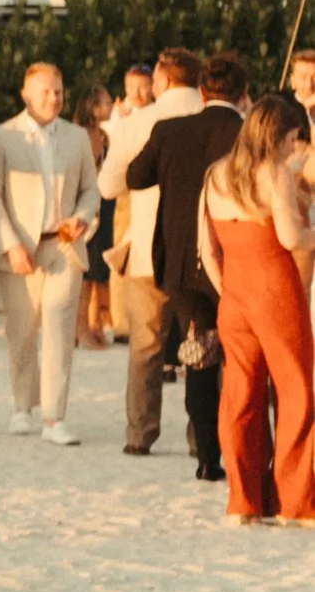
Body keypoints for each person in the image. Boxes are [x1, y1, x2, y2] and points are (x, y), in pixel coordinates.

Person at [120, 51, 244, 478]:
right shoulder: (245, 133)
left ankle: (206, 454)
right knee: (238, 358)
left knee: (199, 354)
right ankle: (231, 445)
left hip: (181, 265)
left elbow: (135, 177)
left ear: (204, 90)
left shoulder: (170, 129)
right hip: (232, 262)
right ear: (243, 93)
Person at [199, 93, 315, 523]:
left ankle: (244, 501)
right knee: (295, 391)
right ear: (279, 135)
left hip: (234, 293)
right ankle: (295, 502)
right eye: (292, 138)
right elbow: (290, 238)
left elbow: (206, 250)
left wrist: (230, 289)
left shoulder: (215, 174)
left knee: (240, 396)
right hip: (275, 287)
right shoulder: (274, 173)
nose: (293, 147)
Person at [0, 60, 100, 445]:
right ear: (26, 94)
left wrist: (81, 217)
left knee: (60, 328)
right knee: (21, 330)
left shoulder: (78, 137)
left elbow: (91, 189)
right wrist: (10, 244)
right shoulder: (2, 136)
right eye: (46, 91)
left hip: (64, 246)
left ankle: (54, 417)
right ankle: (22, 406)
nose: (54, 98)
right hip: (20, 247)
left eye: (59, 91)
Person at [98, 62, 160, 346]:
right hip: (124, 193)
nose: (137, 92)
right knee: (122, 255)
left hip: (154, 191)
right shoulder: (115, 120)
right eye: (131, 86)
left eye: (143, 85)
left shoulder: (160, 116)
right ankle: (122, 323)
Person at [73, 84, 116, 346]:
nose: (111, 107)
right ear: (93, 106)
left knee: (100, 272)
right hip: (87, 204)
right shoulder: (80, 135)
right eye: (106, 102)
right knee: (85, 273)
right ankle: (81, 329)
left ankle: (95, 326)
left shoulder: (106, 135)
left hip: (106, 204)